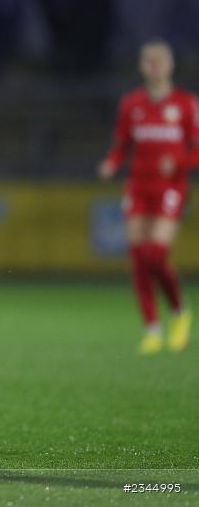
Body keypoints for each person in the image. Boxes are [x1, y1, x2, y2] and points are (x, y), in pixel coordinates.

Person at [98, 39, 197, 354]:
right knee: (139, 257)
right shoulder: (132, 104)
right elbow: (121, 145)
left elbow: (197, 149)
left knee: (155, 253)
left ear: (170, 65)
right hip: (138, 186)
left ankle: (179, 311)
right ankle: (152, 329)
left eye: (160, 61)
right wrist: (111, 164)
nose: (155, 66)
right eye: (149, 61)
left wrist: (178, 163)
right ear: (142, 66)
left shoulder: (185, 104)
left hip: (170, 187)